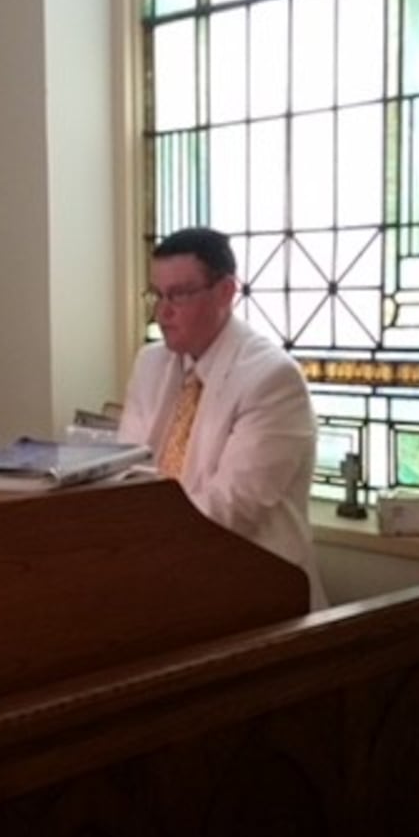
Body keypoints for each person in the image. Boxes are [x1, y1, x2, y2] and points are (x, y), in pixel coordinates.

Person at [117, 227, 326, 610]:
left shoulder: (271, 378)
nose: (162, 312)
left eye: (179, 294)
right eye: (157, 294)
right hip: (161, 575)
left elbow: (232, 508)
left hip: (257, 587)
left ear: (226, 292)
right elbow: (126, 473)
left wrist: (142, 550)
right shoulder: (151, 364)